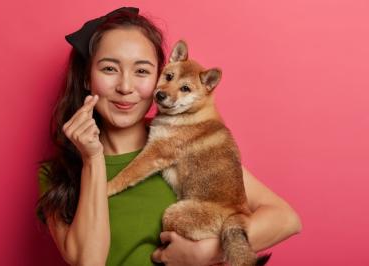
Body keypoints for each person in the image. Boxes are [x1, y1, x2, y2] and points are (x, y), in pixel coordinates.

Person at [36, 6, 302, 266]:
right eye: (109, 69)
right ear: (86, 78)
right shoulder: (56, 175)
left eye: (142, 71)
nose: (126, 87)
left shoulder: (191, 142)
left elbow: (286, 219)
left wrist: (208, 252)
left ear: (157, 78)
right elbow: (89, 261)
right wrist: (92, 159)